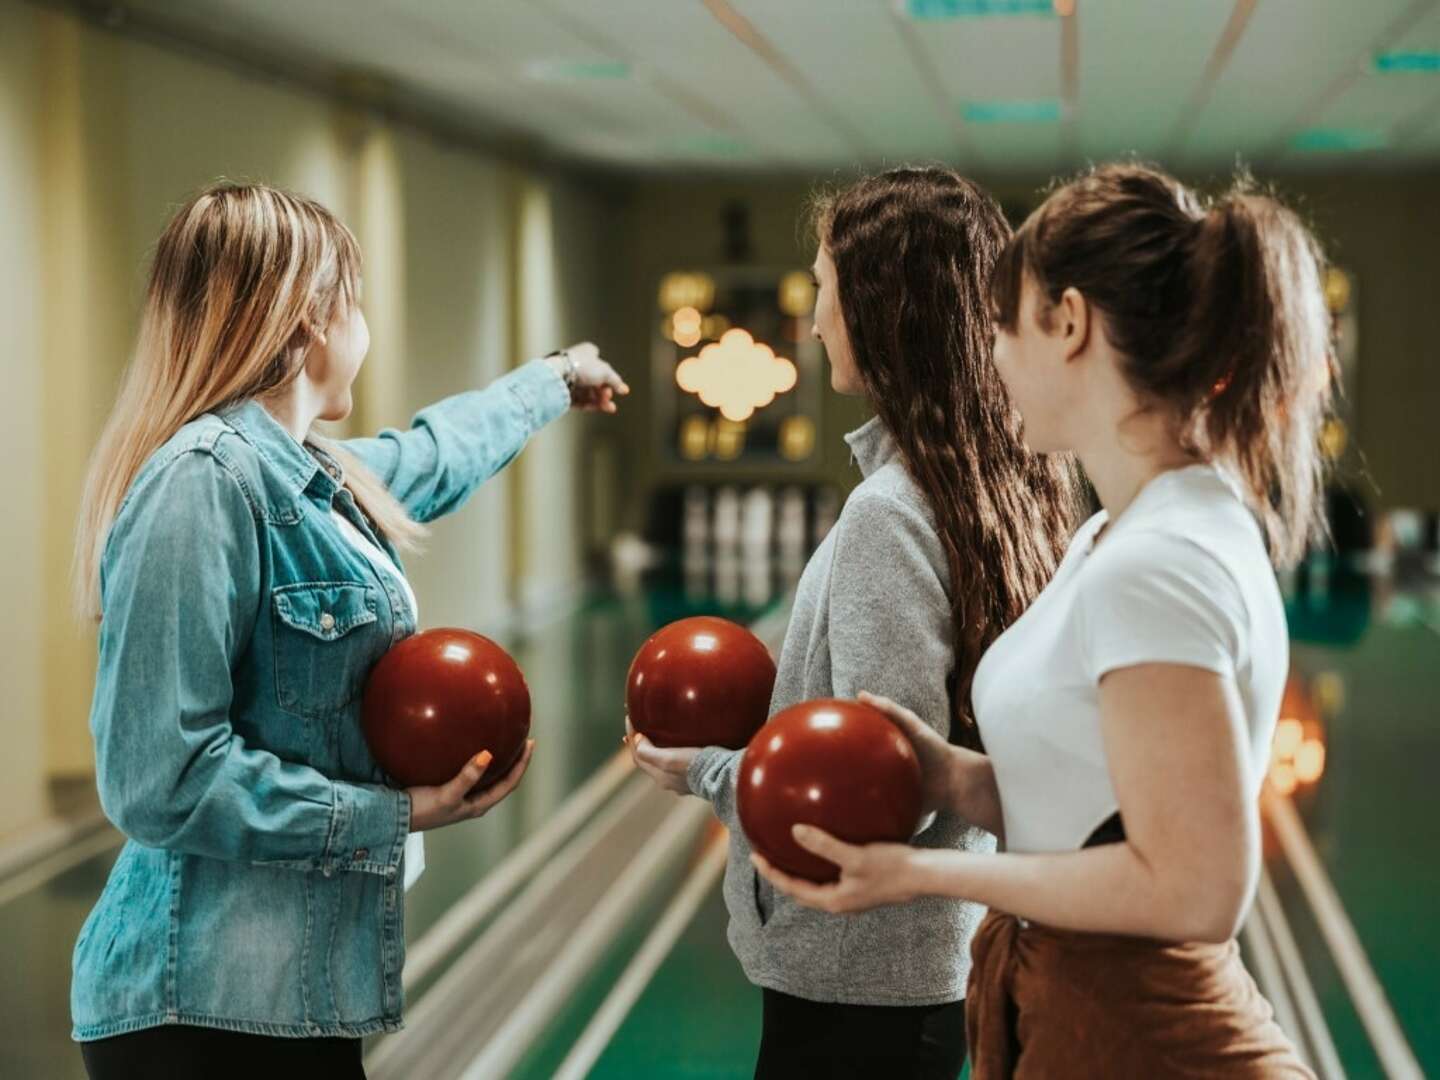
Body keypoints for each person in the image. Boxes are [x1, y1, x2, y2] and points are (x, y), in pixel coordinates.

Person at [756, 163, 1328, 1079]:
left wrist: (925, 873)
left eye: (1001, 325)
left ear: (1070, 323)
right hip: (1076, 1014)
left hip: (1147, 1037)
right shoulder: (1116, 531)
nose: (989, 356)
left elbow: (1194, 890)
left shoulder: (1158, 561)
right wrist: (954, 780)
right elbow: (1091, 810)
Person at [69, 182, 627, 1077]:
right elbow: (157, 779)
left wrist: (556, 378)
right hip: (201, 1011)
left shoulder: (308, 475)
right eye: (355, 303)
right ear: (307, 323)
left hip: (290, 995)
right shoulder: (202, 483)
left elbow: (436, 452)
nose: (364, 330)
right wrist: (391, 815)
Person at [629, 167, 1076, 1078]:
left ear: (879, 311)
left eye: (824, 289)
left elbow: (886, 789)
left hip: (855, 980)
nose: (816, 316)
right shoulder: (1015, 486)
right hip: (924, 973)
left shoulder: (890, 512)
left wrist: (710, 773)